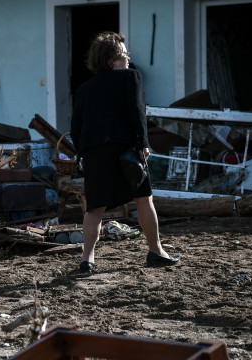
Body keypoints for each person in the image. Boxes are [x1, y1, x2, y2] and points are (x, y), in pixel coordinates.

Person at [70, 31, 180, 272]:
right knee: (143, 198)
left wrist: (84, 153)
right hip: (126, 151)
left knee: (94, 207)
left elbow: (75, 129)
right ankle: (155, 251)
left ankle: (87, 260)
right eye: (123, 54)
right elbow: (137, 113)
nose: (128, 58)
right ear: (110, 58)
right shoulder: (130, 78)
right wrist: (142, 145)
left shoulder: (84, 89)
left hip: (95, 153)